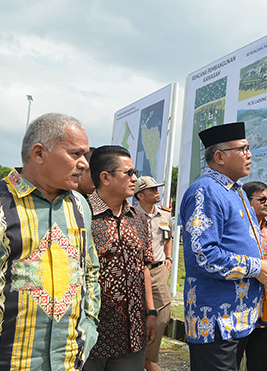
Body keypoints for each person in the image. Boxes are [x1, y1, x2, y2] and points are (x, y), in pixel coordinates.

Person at [0, 113, 100, 370]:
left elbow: (90, 270)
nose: (84, 164)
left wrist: (89, 329)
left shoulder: (80, 205)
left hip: (69, 362)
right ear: (38, 153)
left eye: (85, 155)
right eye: (75, 154)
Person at [180, 122, 267, 371]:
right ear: (219, 157)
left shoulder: (237, 191)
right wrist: (257, 267)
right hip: (215, 320)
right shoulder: (205, 191)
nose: (250, 155)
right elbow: (202, 255)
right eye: (243, 149)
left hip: (240, 318)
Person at [85, 146, 157, 371]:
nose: (135, 178)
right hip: (90, 334)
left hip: (131, 335)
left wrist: (151, 312)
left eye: (135, 172)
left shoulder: (138, 219)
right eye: (129, 173)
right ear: (105, 177)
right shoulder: (81, 216)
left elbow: (144, 267)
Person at [134, 176, 173, 371]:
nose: (157, 192)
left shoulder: (164, 215)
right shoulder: (131, 215)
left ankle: (148, 358)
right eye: (152, 189)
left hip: (157, 270)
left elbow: (169, 237)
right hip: (134, 272)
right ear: (140, 195)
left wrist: (169, 257)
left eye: (157, 188)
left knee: (162, 314)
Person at [243, 180, 267, 371]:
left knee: (262, 363)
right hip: (241, 308)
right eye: (262, 199)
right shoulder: (238, 230)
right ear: (246, 202)